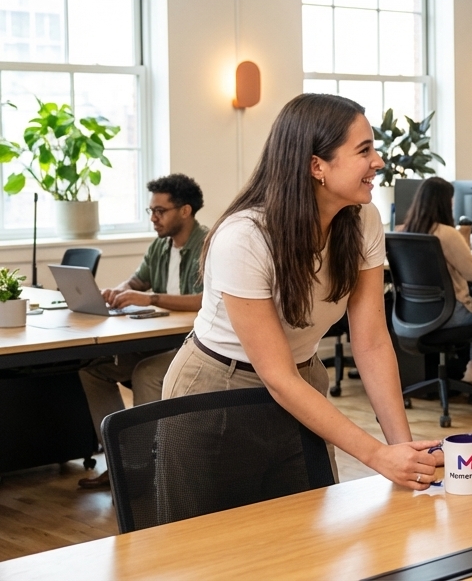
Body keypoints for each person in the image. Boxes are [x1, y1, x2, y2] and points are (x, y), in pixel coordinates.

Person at [163, 94, 440, 492]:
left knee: (311, 523)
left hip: (303, 379)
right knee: (214, 530)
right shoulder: (244, 237)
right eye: (364, 150)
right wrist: (377, 456)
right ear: (316, 166)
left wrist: (403, 451)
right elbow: (277, 377)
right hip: (219, 387)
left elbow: (372, 342)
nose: (378, 161)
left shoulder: (363, 220)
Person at [78, 174, 208, 490]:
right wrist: (119, 291)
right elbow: (138, 281)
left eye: (160, 211)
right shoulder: (160, 246)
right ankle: (122, 462)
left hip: (195, 345)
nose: (153, 218)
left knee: (146, 373)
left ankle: (146, 471)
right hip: (160, 340)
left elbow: (204, 299)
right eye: (151, 210)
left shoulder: (208, 244)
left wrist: (150, 299)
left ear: (185, 211)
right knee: (94, 371)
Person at [399, 177, 472, 391]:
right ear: (445, 202)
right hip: (452, 314)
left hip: (414, 315)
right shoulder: (446, 234)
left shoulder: (403, 232)